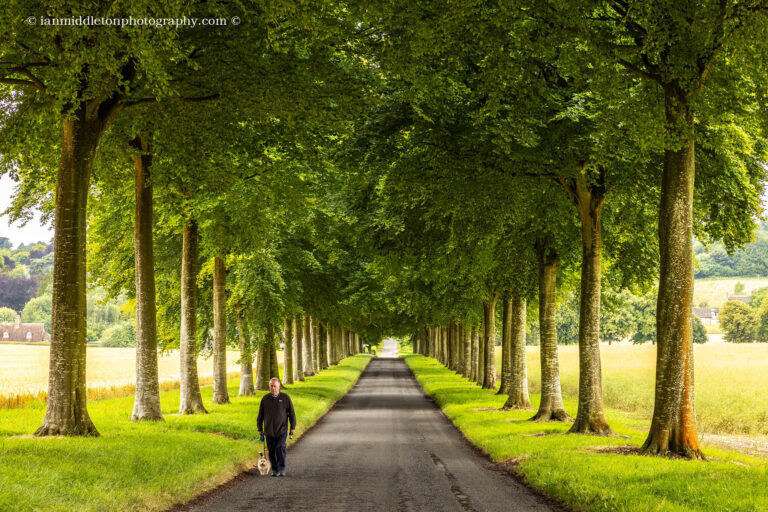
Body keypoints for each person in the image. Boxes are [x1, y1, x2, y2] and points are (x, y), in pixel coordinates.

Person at [258, 377, 296, 476]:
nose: (273, 388)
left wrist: (293, 427)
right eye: (271, 386)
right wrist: (260, 429)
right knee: (271, 451)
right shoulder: (265, 399)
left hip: (281, 430)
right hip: (269, 431)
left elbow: (291, 413)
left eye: (275, 386)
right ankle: (275, 470)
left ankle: (282, 468)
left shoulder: (285, 398)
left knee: (280, 447)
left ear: (279, 386)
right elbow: (260, 416)